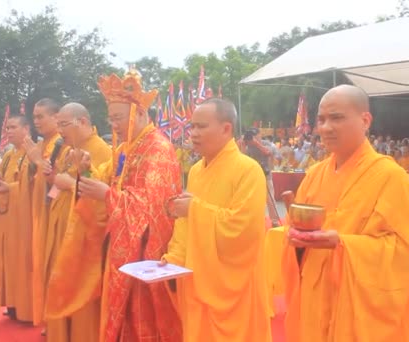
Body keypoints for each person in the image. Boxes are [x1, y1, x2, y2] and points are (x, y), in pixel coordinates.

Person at [283, 85, 409, 342]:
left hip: (359, 303)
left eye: (336, 118)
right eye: (321, 120)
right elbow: (296, 233)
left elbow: (402, 254)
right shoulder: (315, 174)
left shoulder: (390, 176)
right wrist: (292, 236)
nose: (326, 127)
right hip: (316, 292)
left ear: (365, 120)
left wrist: (342, 244)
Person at [77, 67, 182, 342]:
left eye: (119, 118)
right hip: (122, 241)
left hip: (146, 247)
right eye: (110, 118)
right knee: (122, 311)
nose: (114, 125)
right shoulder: (126, 148)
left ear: (140, 113)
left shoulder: (157, 148)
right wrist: (90, 173)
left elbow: (151, 203)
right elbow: (111, 179)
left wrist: (107, 195)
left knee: (142, 312)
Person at [161, 98, 272, 341]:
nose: (194, 134)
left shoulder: (248, 170)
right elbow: (184, 221)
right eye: (192, 127)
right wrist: (174, 258)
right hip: (196, 276)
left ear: (226, 129)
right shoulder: (197, 171)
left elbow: (243, 230)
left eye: (202, 127)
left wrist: (196, 209)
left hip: (235, 283)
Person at [42, 102, 112, 342]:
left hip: (85, 233)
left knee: (82, 291)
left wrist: (68, 183)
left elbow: (103, 196)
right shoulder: (71, 149)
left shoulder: (99, 149)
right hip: (65, 226)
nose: (59, 130)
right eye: (58, 124)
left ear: (82, 122)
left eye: (63, 124)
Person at [0, 115, 34, 322]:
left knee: (21, 262)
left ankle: (26, 307)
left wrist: (9, 188)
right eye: (7, 128)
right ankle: (12, 304)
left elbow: (33, 185)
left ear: (26, 129)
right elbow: (4, 179)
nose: (9, 131)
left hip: (22, 218)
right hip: (5, 216)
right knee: (6, 260)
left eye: (13, 127)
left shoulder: (34, 154)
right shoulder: (8, 156)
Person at [22, 98, 62, 332]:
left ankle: (54, 318)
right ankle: (48, 316)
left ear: (56, 118)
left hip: (52, 212)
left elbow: (52, 178)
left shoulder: (59, 143)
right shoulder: (44, 143)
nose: (36, 121)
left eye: (40, 117)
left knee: (52, 265)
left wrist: (37, 160)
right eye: (34, 117)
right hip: (41, 212)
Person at [239, 128, 280, 226]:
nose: (252, 138)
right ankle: (253, 220)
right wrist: (243, 146)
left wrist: (256, 143)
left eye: (254, 135)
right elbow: (242, 159)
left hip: (266, 174)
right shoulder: (248, 146)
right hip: (253, 176)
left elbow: (268, 153)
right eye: (251, 136)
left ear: (259, 135)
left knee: (270, 199)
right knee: (252, 199)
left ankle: (274, 221)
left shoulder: (267, 144)